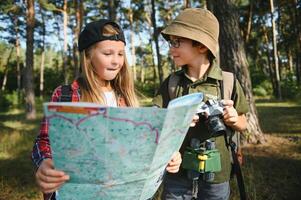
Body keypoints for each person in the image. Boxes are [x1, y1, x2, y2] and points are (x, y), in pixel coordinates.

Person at [31, 19, 182, 200]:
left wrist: (166, 155)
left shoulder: (126, 99)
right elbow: (44, 141)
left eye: (120, 54)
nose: (116, 61)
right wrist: (45, 163)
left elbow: (140, 147)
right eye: (108, 53)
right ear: (88, 56)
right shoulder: (66, 95)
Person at [153, 8, 249, 200]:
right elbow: (155, 119)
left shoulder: (227, 81)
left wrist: (232, 119)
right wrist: (177, 120)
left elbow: (243, 123)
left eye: (176, 42)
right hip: (177, 172)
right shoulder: (172, 83)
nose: (170, 48)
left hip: (217, 173)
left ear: (201, 46)